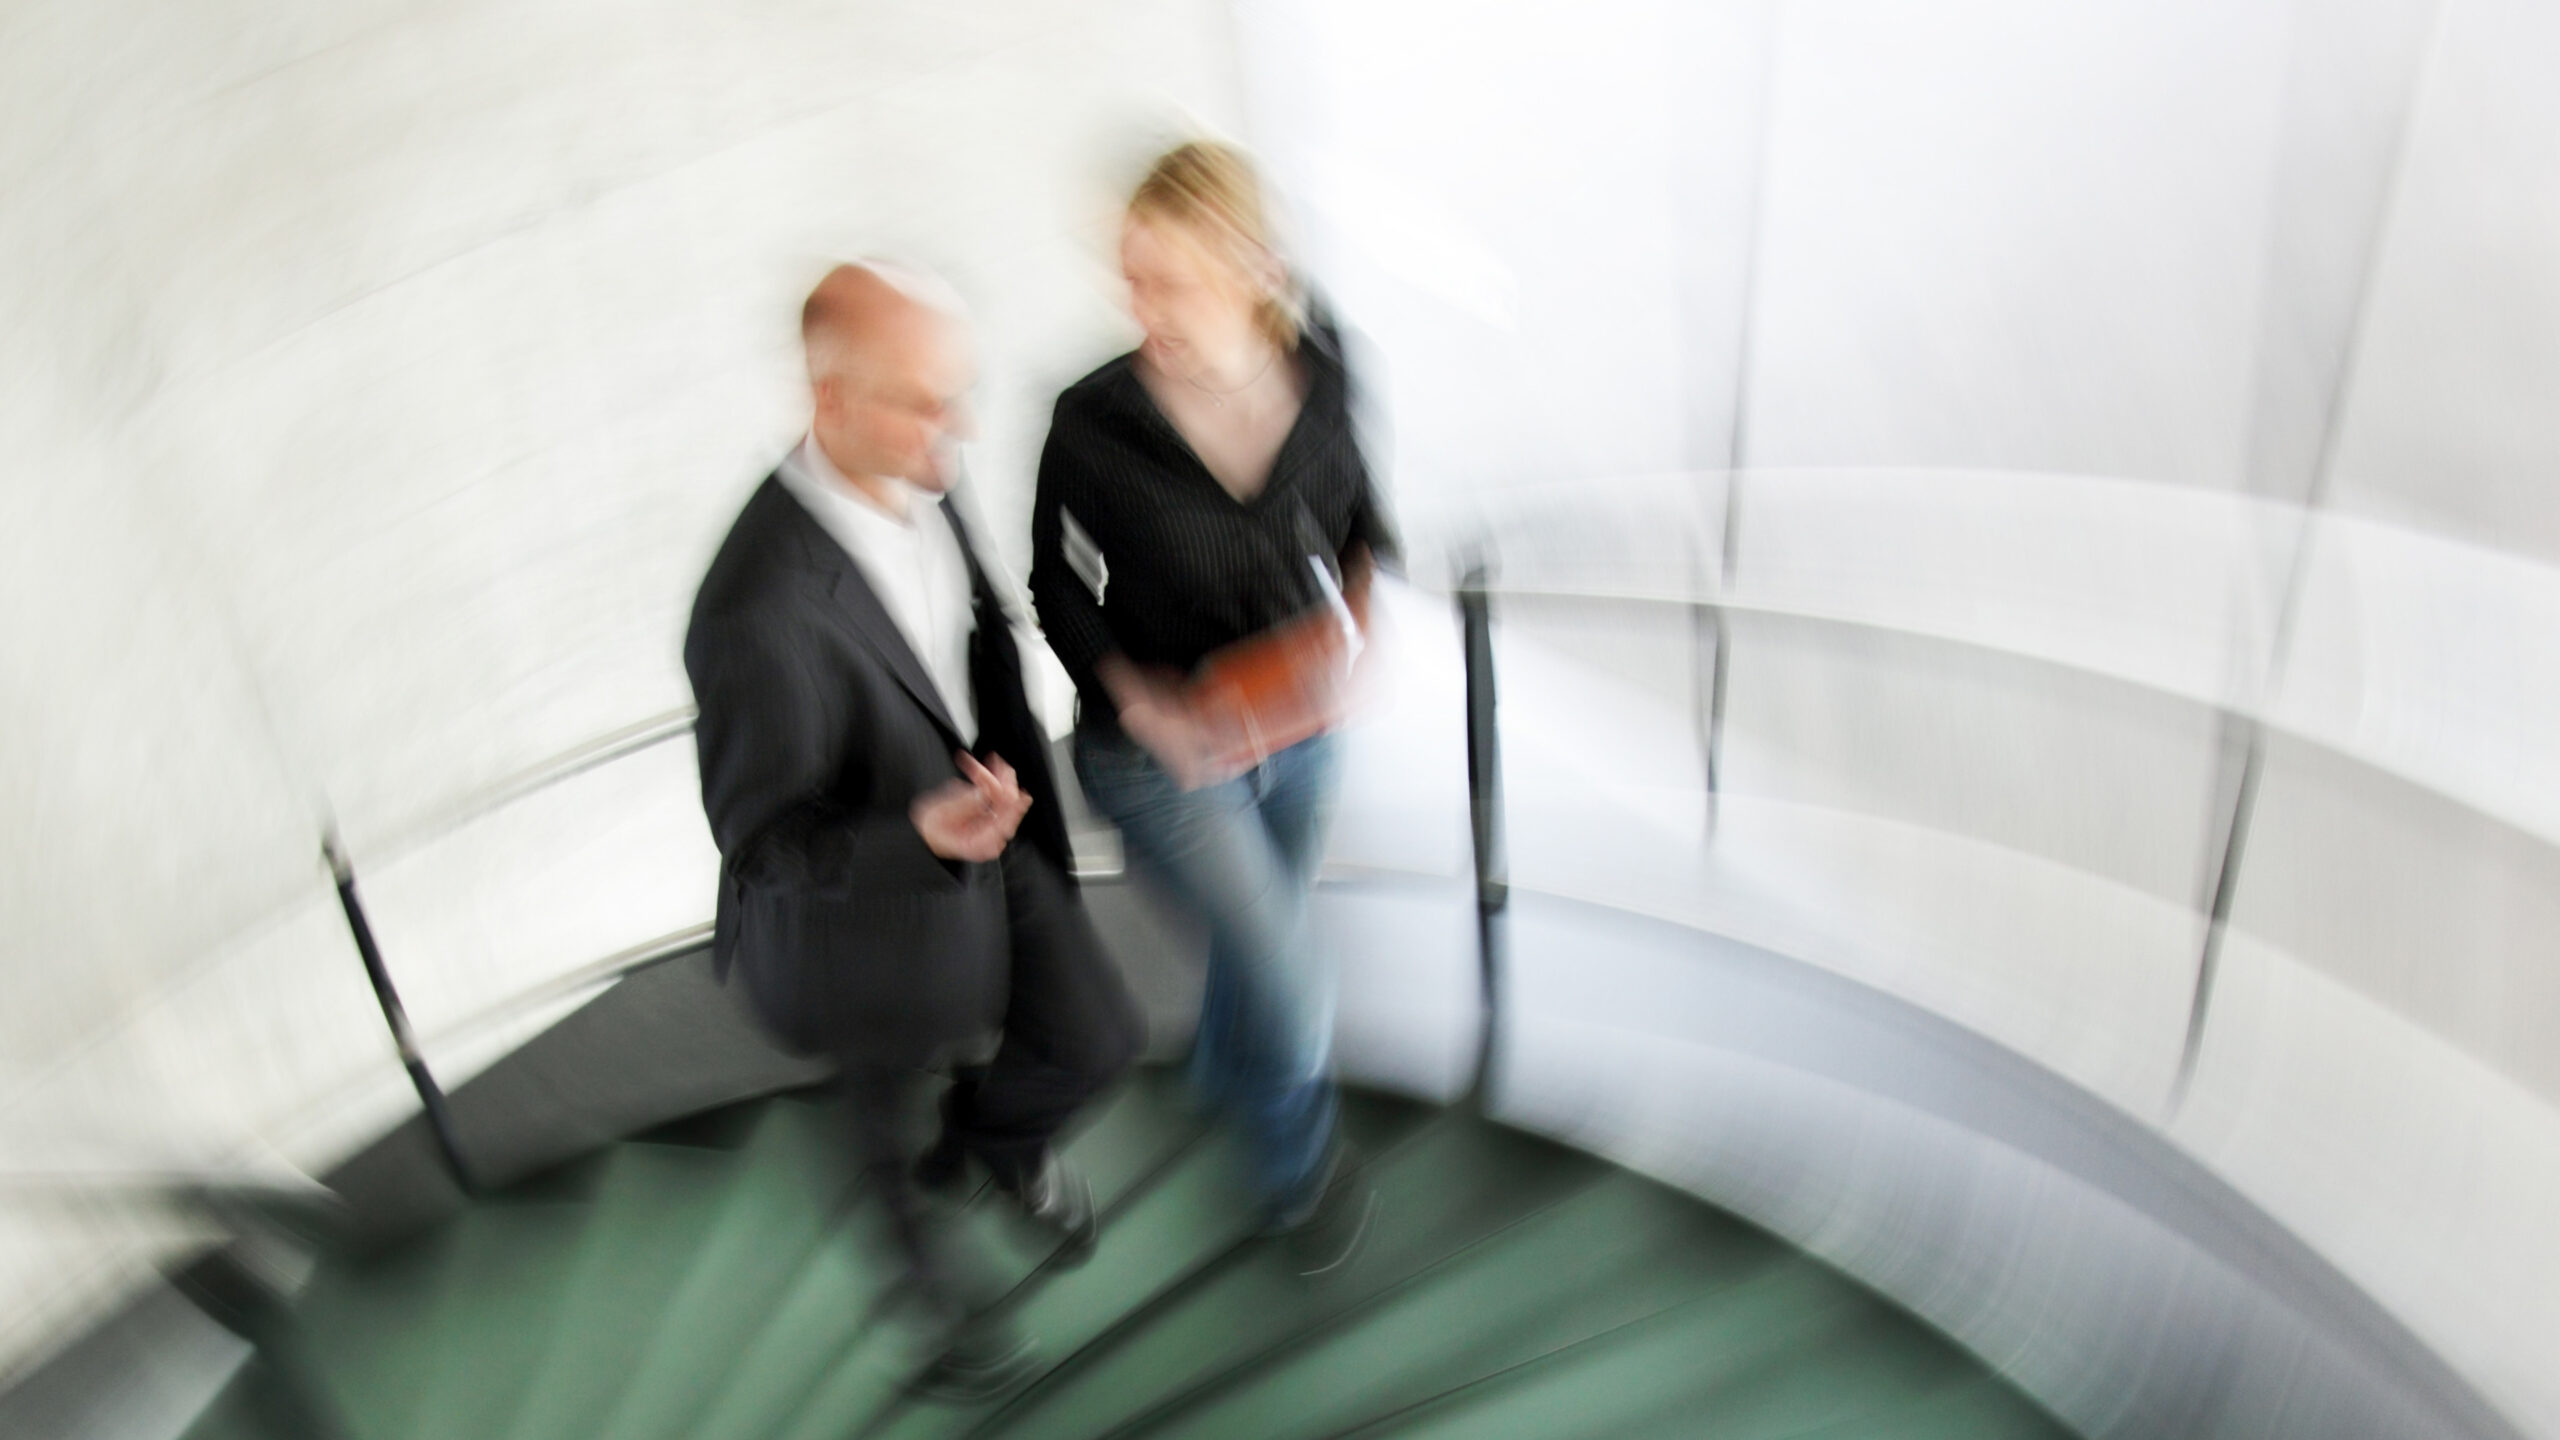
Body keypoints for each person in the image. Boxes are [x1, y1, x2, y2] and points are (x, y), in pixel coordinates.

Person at [685, 262, 1141, 1398]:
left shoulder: (923, 462)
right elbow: (764, 849)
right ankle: (931, 1312)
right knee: (877, 1127)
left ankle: (993, 1147)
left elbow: (970, 631)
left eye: (958, 394)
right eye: (926, 403)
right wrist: (920, 834)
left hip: (990, 838)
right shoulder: (752, 610)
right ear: (830, 400)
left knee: (1097, 1036)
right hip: (860, 921)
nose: (961, 428)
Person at [1028, 141, 1394, 1276]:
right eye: (1129, 279)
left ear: (1252, 271)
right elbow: (1055, 587)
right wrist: (1145, 705)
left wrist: (1357, 640)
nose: (1139, 309)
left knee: (1260, 940)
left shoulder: (1326, 365)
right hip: (1163, 759)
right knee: (1291, 979)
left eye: (1169, 283)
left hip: (1301, 733)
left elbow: (1363, 528)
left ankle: (1222, 1076)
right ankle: (1296, 1174)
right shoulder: (1093, 422)